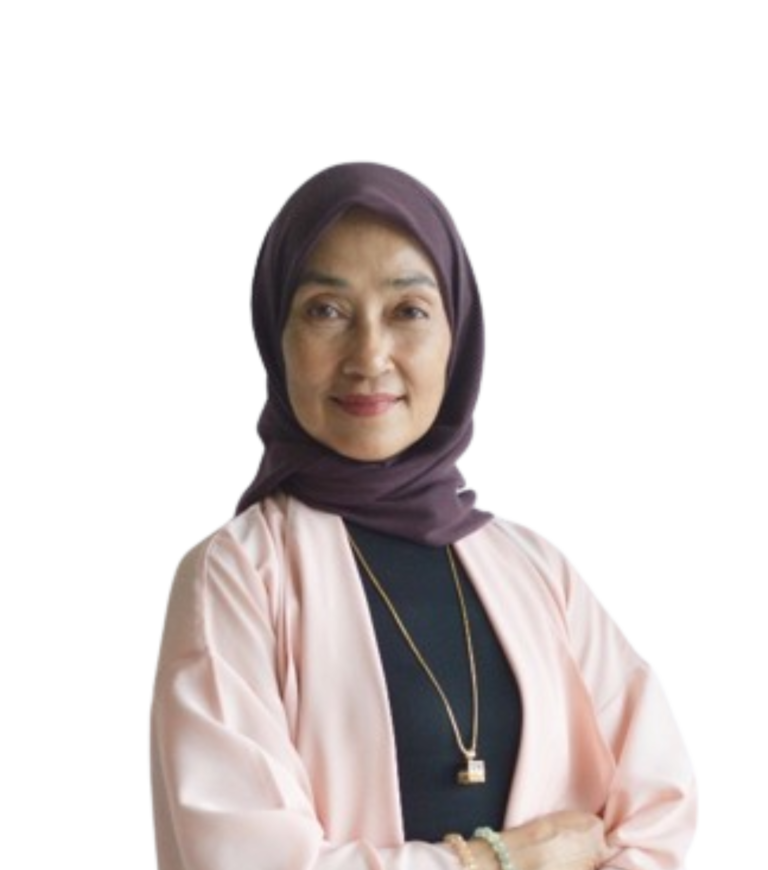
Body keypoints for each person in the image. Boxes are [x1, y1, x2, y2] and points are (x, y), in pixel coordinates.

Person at [147, 159, 699, 869]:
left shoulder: (536, 566)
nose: (369, 355)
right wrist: (499, 861)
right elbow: (244, 859)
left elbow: (659, 812)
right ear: (274, 333)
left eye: (407, 310)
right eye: (326, 310)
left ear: (458, 334)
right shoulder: (234, 574)